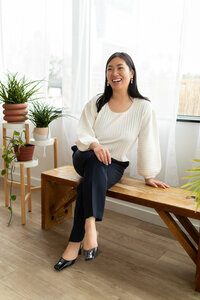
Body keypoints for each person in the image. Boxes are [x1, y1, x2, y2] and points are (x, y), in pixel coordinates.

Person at [54, 52, 169, 271]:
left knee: (88, 181)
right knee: (95, 162)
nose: (114, 73)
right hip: (85, 155)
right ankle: (90, 228)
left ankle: (74, 242)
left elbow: (148, 141)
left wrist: (149, 175)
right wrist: (96, 146)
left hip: (114, 165)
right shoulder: (98, 102)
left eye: (120, 68)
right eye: (109, 69)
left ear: (131, 73)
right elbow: (83, 133)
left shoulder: (143, 107)